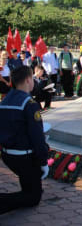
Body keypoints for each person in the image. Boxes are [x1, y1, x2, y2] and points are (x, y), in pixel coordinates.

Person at [0, 66, 49, 214]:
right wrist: (43, 161)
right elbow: (37, 137)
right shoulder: (29, 104)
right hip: (24, 156)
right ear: (28, 80)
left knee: (30, 185)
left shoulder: (5, 100)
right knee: (32, 198)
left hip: (7, 155)